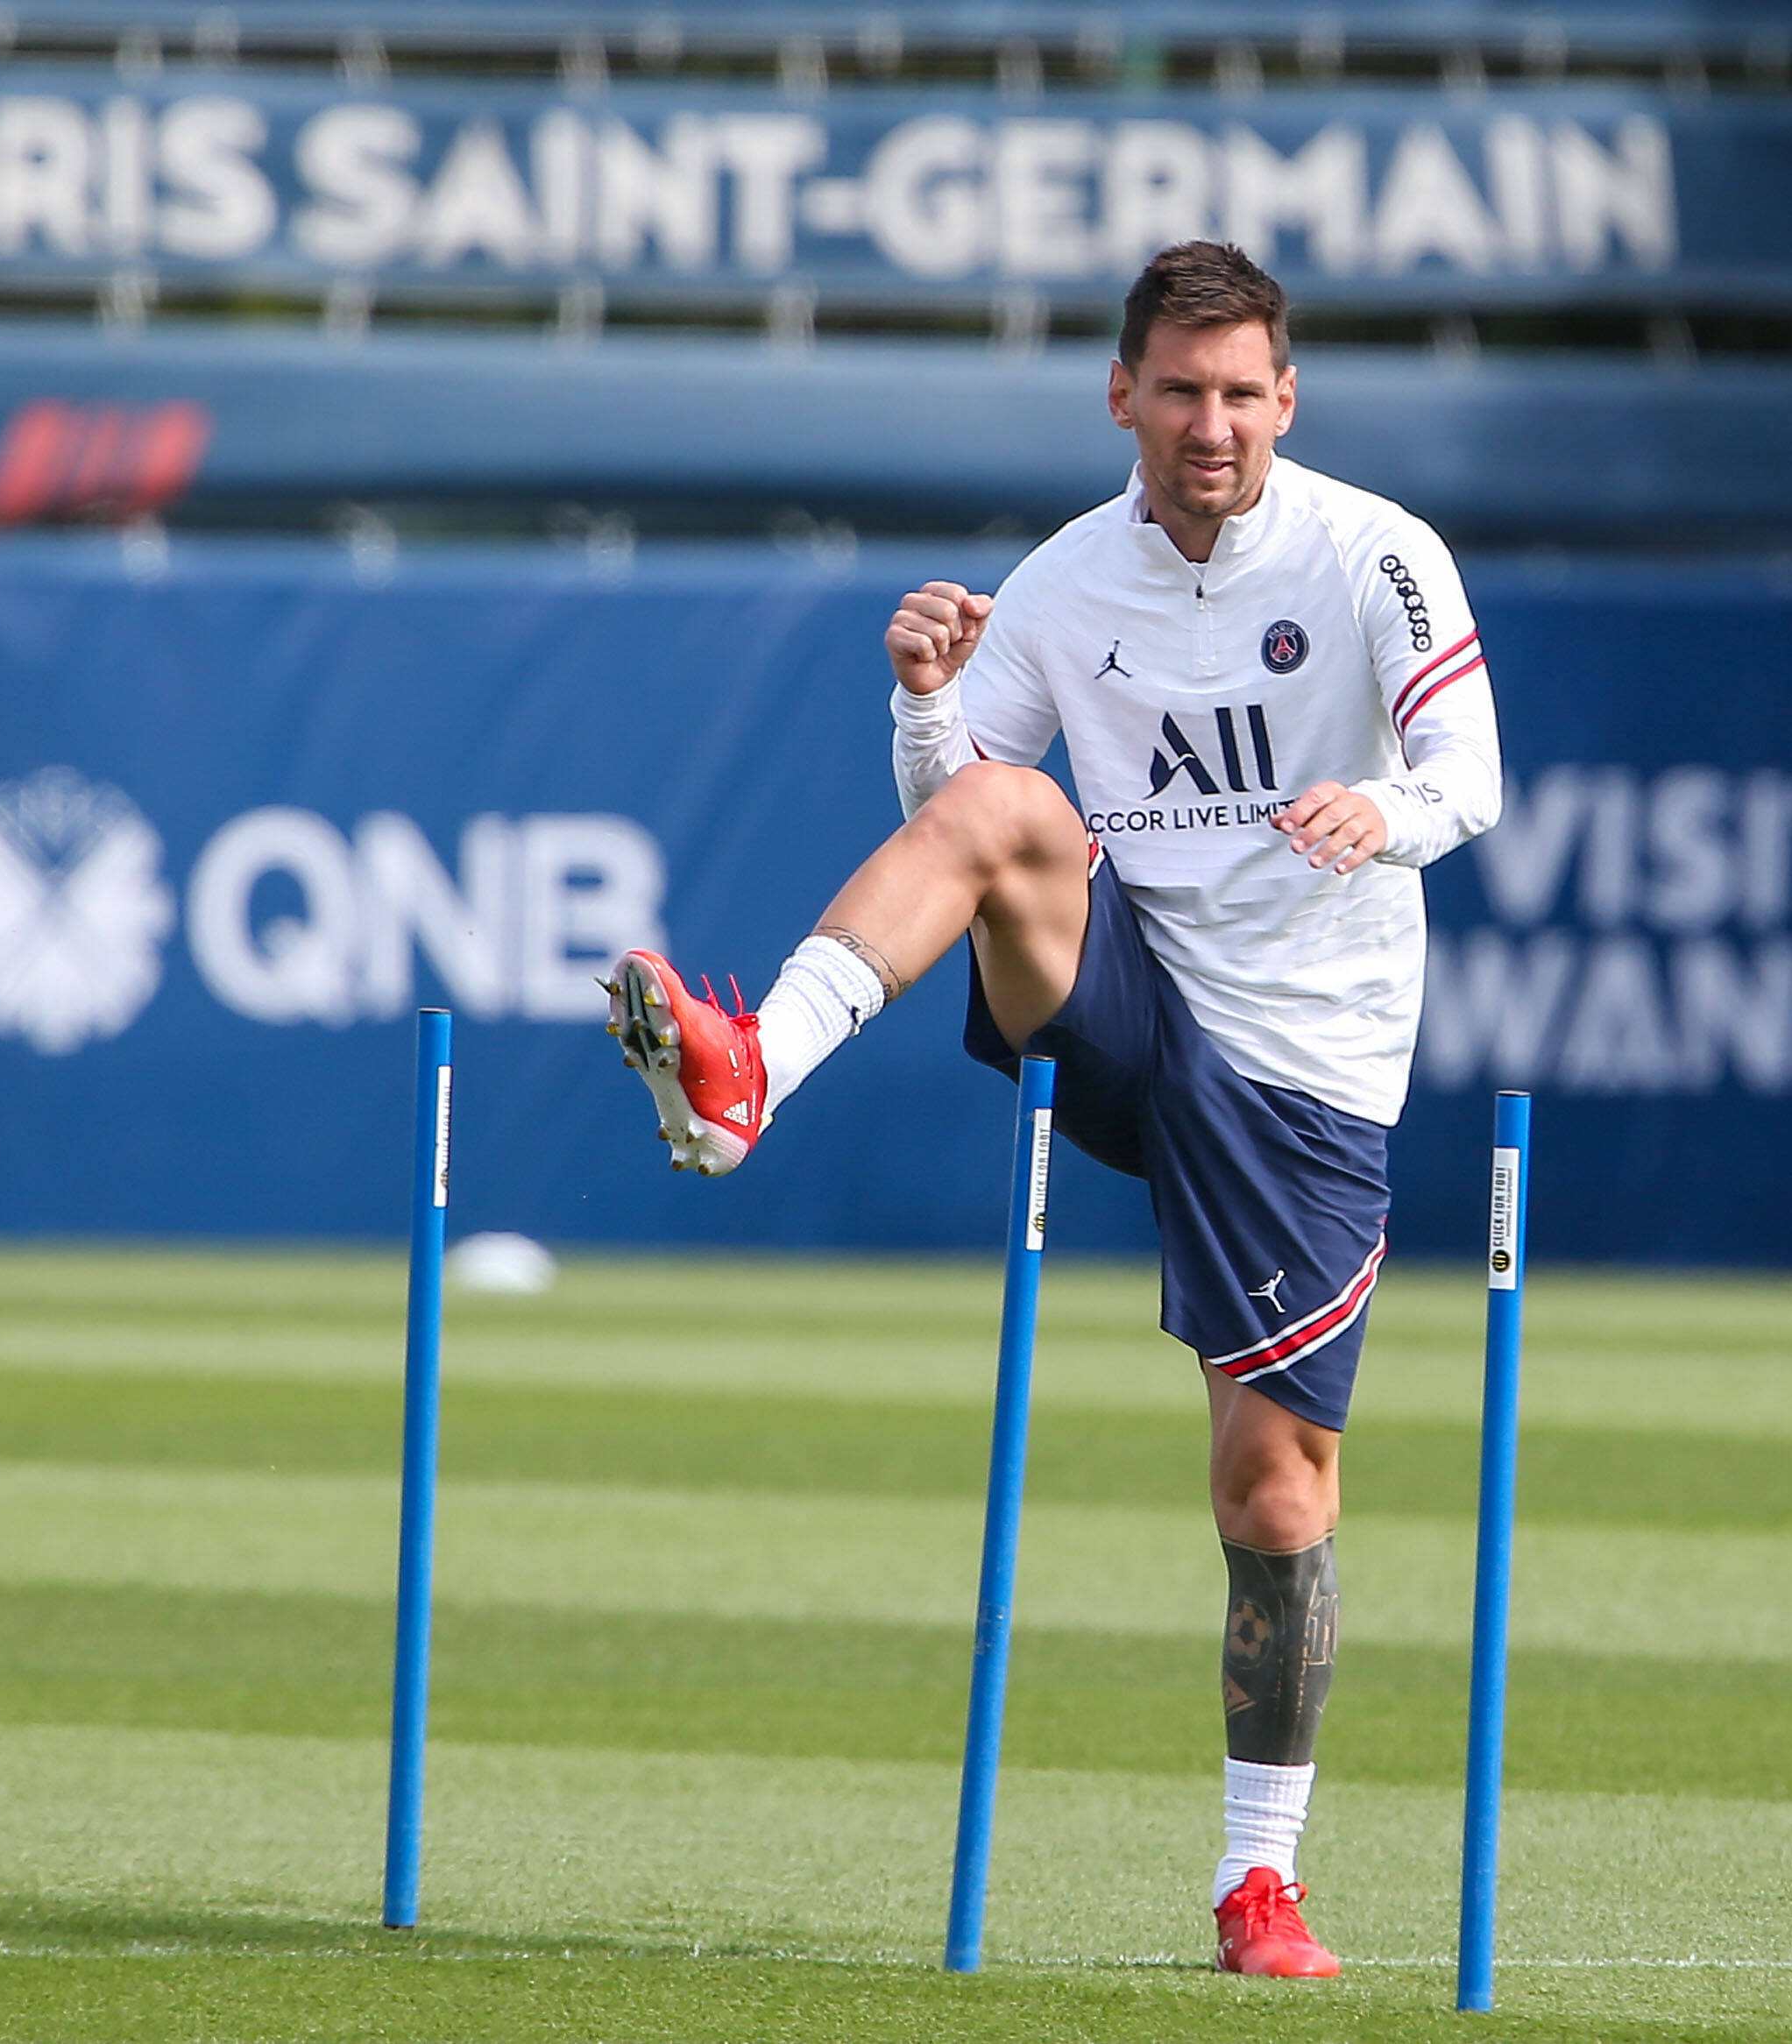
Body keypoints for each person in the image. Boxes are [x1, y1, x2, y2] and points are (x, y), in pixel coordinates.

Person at [602, 240, 1502, 1977]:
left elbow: (1465, 771)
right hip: (1125, 996)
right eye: (1180, 389)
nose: (1213, 423)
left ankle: (1258, 1880)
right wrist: (924, 697)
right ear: (1123, 396)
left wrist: (1375, 818)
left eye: (1243, 391)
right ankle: (744, 1081)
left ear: (1286, 398)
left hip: (1306, 1055)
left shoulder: (1374, 551)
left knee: (1273, 1487)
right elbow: (959, 812)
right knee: (1006, 807)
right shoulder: (1069, 579)